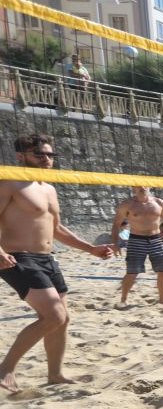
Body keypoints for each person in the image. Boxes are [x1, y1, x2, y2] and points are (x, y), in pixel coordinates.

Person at [0, 134, 115, 393]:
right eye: (40, 155)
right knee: (54, 316)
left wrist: (91, 249)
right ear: (21, 157)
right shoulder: (10, 182)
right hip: (17, 257)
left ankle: (55, 374)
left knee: (61, 319)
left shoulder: (49, 187)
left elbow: (57, 228)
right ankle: (5, 368)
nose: (47, 159)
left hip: (47, 258)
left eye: (50, 155)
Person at [110, 185, 163, 306]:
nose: (142, 187)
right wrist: (115, 244)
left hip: (156, 239)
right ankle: (123, 299)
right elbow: (116, 224)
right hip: (136, 240)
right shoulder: (128, 204)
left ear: (149, 186)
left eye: (145, 184)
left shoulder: (159, 203)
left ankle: (162, 299)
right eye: (138, 185)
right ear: (133, 188)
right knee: (132, 272)